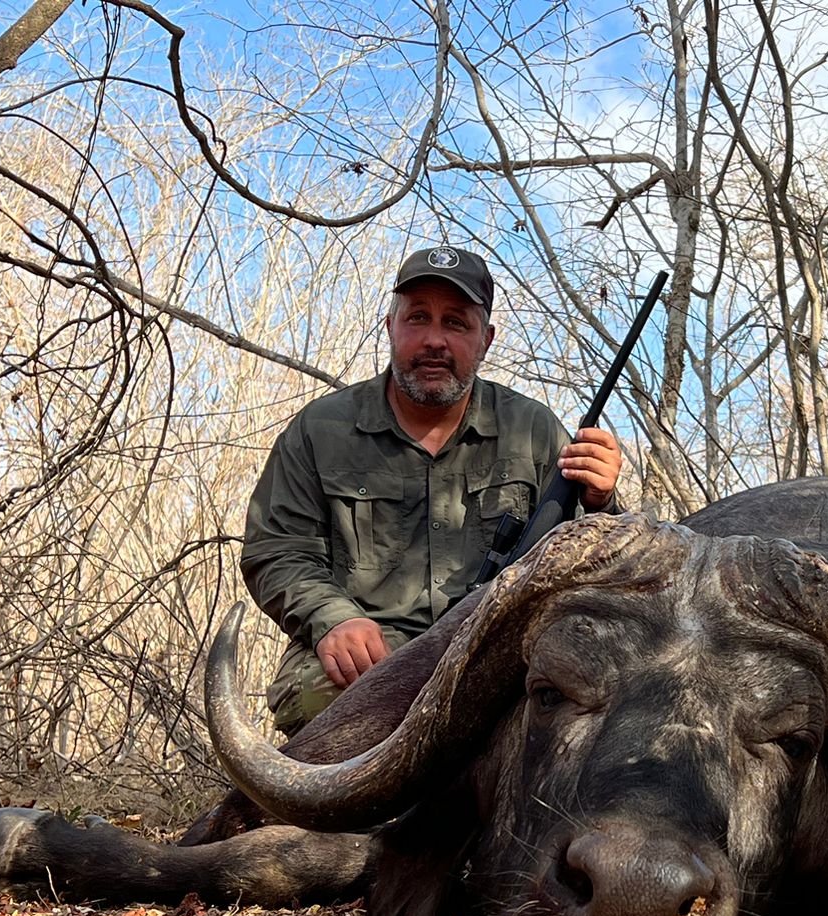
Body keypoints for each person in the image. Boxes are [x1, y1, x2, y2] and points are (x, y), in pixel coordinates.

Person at [241, 245, 623, 735]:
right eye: (417, 318)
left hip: (502, 654)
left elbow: (601, 564)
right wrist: (333, 619)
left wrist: (601, 502)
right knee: (329, 704)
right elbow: (276, 549)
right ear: (390, 327)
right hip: (373, 658)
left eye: (456, 323)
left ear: (485, 339)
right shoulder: (321, 429)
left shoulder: (535, 431)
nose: (434, 341)